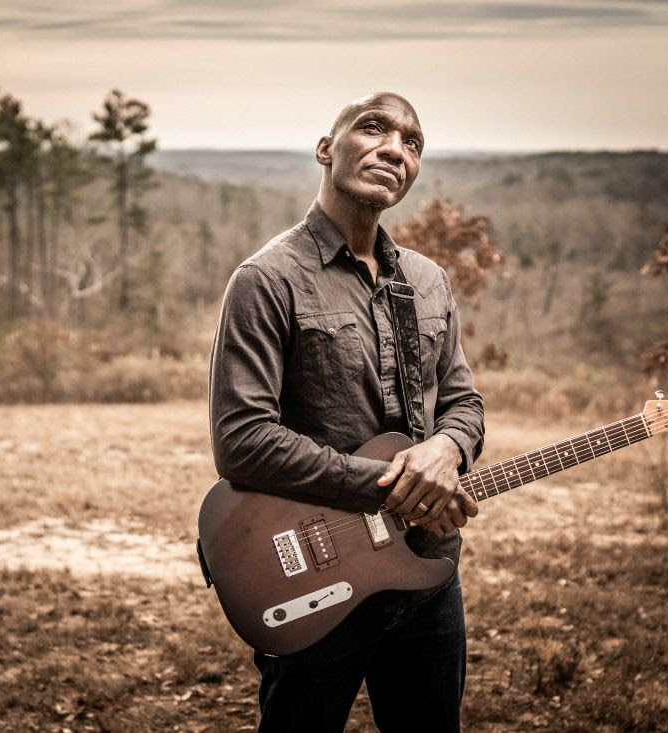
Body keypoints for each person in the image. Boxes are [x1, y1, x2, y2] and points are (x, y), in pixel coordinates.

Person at [208, 92, 485, 732]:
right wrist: (393, 486)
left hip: (428, 567)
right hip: (312, 569)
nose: (395, 148)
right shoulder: (267, 279)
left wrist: (447, 449)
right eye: (373, 128)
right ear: (326, 149)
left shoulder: (428, 280)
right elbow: (243, 441)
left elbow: (461, 399)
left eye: (412, 143)